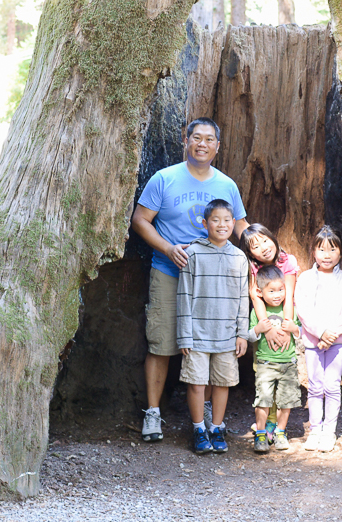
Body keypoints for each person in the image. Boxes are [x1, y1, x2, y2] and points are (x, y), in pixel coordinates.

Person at [131, 118, 248, 442]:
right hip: (170, 272)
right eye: (196, 137)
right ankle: (153, 413)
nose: (202, 144)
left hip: (213, 281)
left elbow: (240, 225)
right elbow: (140, 220)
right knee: (163, 341)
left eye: (209, 139)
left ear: (217, 146)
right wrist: (168, 249)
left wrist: (265, 252)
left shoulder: (226, 185)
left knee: (212, 343)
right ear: (186, 140)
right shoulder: (164, 179)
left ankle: (208, 413)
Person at [176, 199, 250, 454]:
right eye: (216, 220)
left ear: (233, 223)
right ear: (205, 223)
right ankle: (198, 429)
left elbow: (244, 298)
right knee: (196, 383)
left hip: (227, 335)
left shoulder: (239, 257)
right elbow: (184, 295)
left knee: (222, 383)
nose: (222, 225)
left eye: (227, 220)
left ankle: (216, 428)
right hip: (197, 334)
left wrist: (242, 333)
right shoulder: (193, 253)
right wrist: (184, 334)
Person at [294, 225, 342, 452]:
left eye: (332, 250)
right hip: (313, 341)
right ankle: (315, 431)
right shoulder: (305, 279)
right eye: (321, 250)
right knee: (314, 386)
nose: (327, 255)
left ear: (341, 251)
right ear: (313, 252)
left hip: (337, 342)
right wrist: (320, 333)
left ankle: (329, 432)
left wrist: (330, 336)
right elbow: (302, 309)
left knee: (331, 385)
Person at [240, 223, 300, 440]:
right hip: (264, 325)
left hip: (283, 321)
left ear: (272, 237)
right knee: (264, 374)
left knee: (283, 373)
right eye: (255, 246)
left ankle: (274, 424)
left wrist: (285, 327)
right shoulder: (252, 268)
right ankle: (267, 421)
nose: (263, 247)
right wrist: (266, 329)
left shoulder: (288, 261)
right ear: (249, 253)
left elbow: (290, 296)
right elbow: (255, 297)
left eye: (265, 240)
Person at [248, 265, 301, 453]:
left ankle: (280, 432)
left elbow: (301, 331)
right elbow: (249, 336)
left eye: (281, 290)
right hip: (265, 364)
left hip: (288, 363)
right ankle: (261, 433)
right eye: (271, 291)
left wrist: (295, 329)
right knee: (263, 400)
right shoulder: (257, 313)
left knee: (285, 401)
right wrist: (258, 330)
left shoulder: (291, 311)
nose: (277, 295)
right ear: (261, 292)